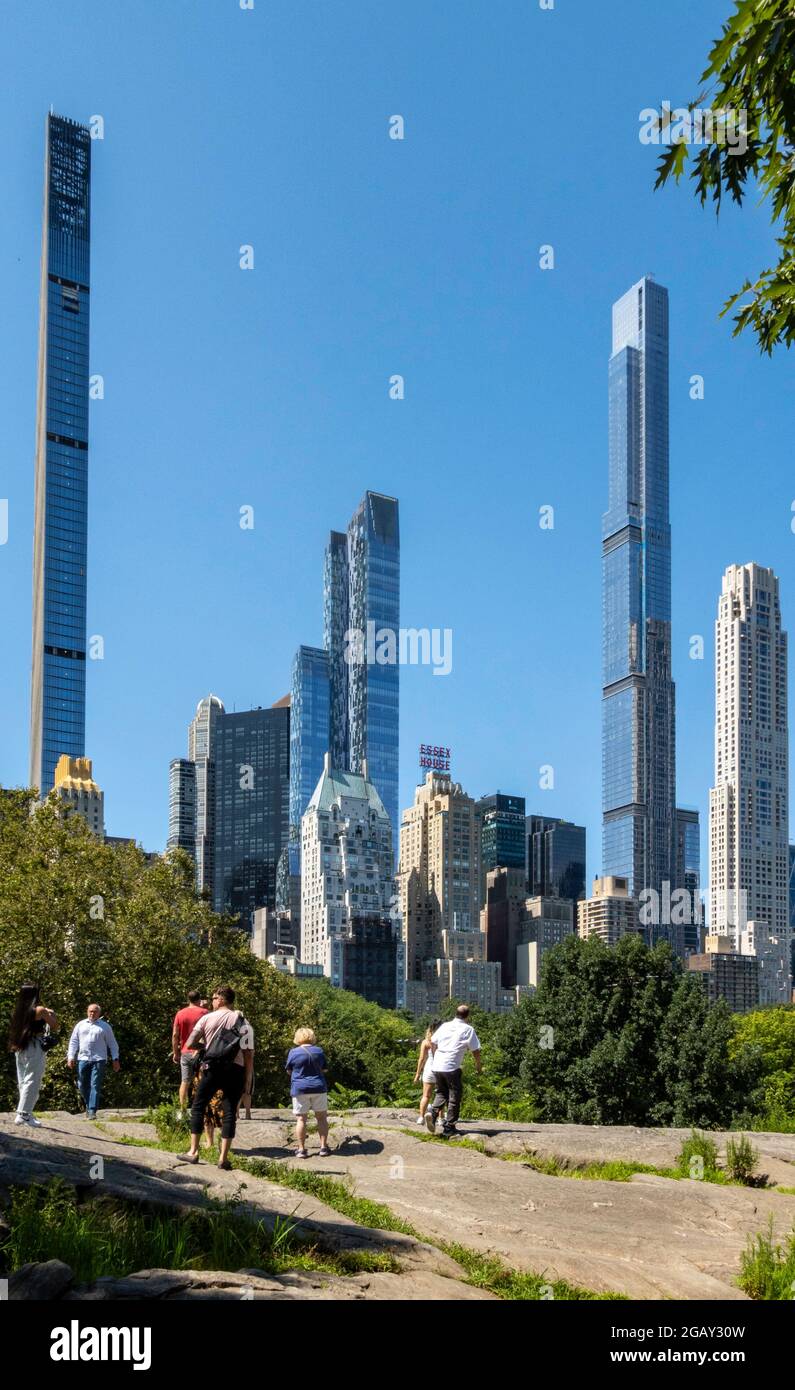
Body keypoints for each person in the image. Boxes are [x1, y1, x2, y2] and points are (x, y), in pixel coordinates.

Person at [182, 986, 254, 1170]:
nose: (212, 1001)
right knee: (230, 1111)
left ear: (221, 999)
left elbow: (189, 1043)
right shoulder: (244, 1023)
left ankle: (193, 1151)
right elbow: (248, 1054)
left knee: (198, 1105)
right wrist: (247, 1078)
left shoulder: (206, 1018)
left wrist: (206, 1047)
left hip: (212, 1068)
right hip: (235, 1070)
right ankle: (223, 1158)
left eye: (214, 998)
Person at [426, 1004, 482, 1138]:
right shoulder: (468, 1029)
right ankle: (449, 1128)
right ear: (467, 1016)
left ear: (455, 1014)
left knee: (441, 1093)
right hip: (451, 1067)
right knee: (454, 1097)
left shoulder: (444, 1025)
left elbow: (432, 1042)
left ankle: (433, 1114)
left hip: (437, 1066)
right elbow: (476, 1050)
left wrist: (435, 1057)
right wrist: (478, 1066)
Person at [8, 983, 57, 1127]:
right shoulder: (40, 1010)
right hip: (34, 1046)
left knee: (23, 1080)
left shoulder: (19, 1010)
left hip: (20, 1045)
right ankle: (23, 1114)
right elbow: (54, 1025)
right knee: (33, 1079)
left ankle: (26, 1112)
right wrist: (51, 1013)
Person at [67, 1004, 121, 1119]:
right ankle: (88, 1104)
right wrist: (70, 1057)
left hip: (99, 1059)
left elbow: (112, 1044)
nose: (92, 1013)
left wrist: (115, 1059)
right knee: (81, 1084)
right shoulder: (80, 1025)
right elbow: (73, 1042)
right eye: (90, 1011)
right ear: (87, 1012)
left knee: (95, 1085)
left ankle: (92, 1110)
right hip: (83, 1059)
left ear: (99, 1013)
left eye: (95, 1012)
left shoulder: (105, 1027)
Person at [285, 1028, 330, 1158]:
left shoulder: (293, 1052)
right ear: (312, 1037)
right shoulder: (319, 1051)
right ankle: (323, 1148)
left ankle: (302, 1150)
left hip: (300, 1089)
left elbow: (289, 1070)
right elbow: (325, 1069)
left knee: (301, 1119)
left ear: (297, 1038)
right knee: (321, 1118)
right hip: (319, 1088)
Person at [172, 990, 208, 1109]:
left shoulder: (180, 1013)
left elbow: (175, 1035)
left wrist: (176, 1053)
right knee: (202, 1081)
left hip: (185, 1051)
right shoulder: (205, 1013)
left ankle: (182, 1109)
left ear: (188, 999)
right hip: (201, 1052)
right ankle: (200, 1108)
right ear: (199, 999)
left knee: (185, 1081)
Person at [412, 1020, 443, 1126]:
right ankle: (440, 1119)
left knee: (426, 1095)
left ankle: (421, 1117)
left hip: (429, 1069)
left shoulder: (426, 1042)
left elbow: (421, 1059)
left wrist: (417, 1074)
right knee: (441, 1095)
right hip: (441, 1070)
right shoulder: (444, 1040)